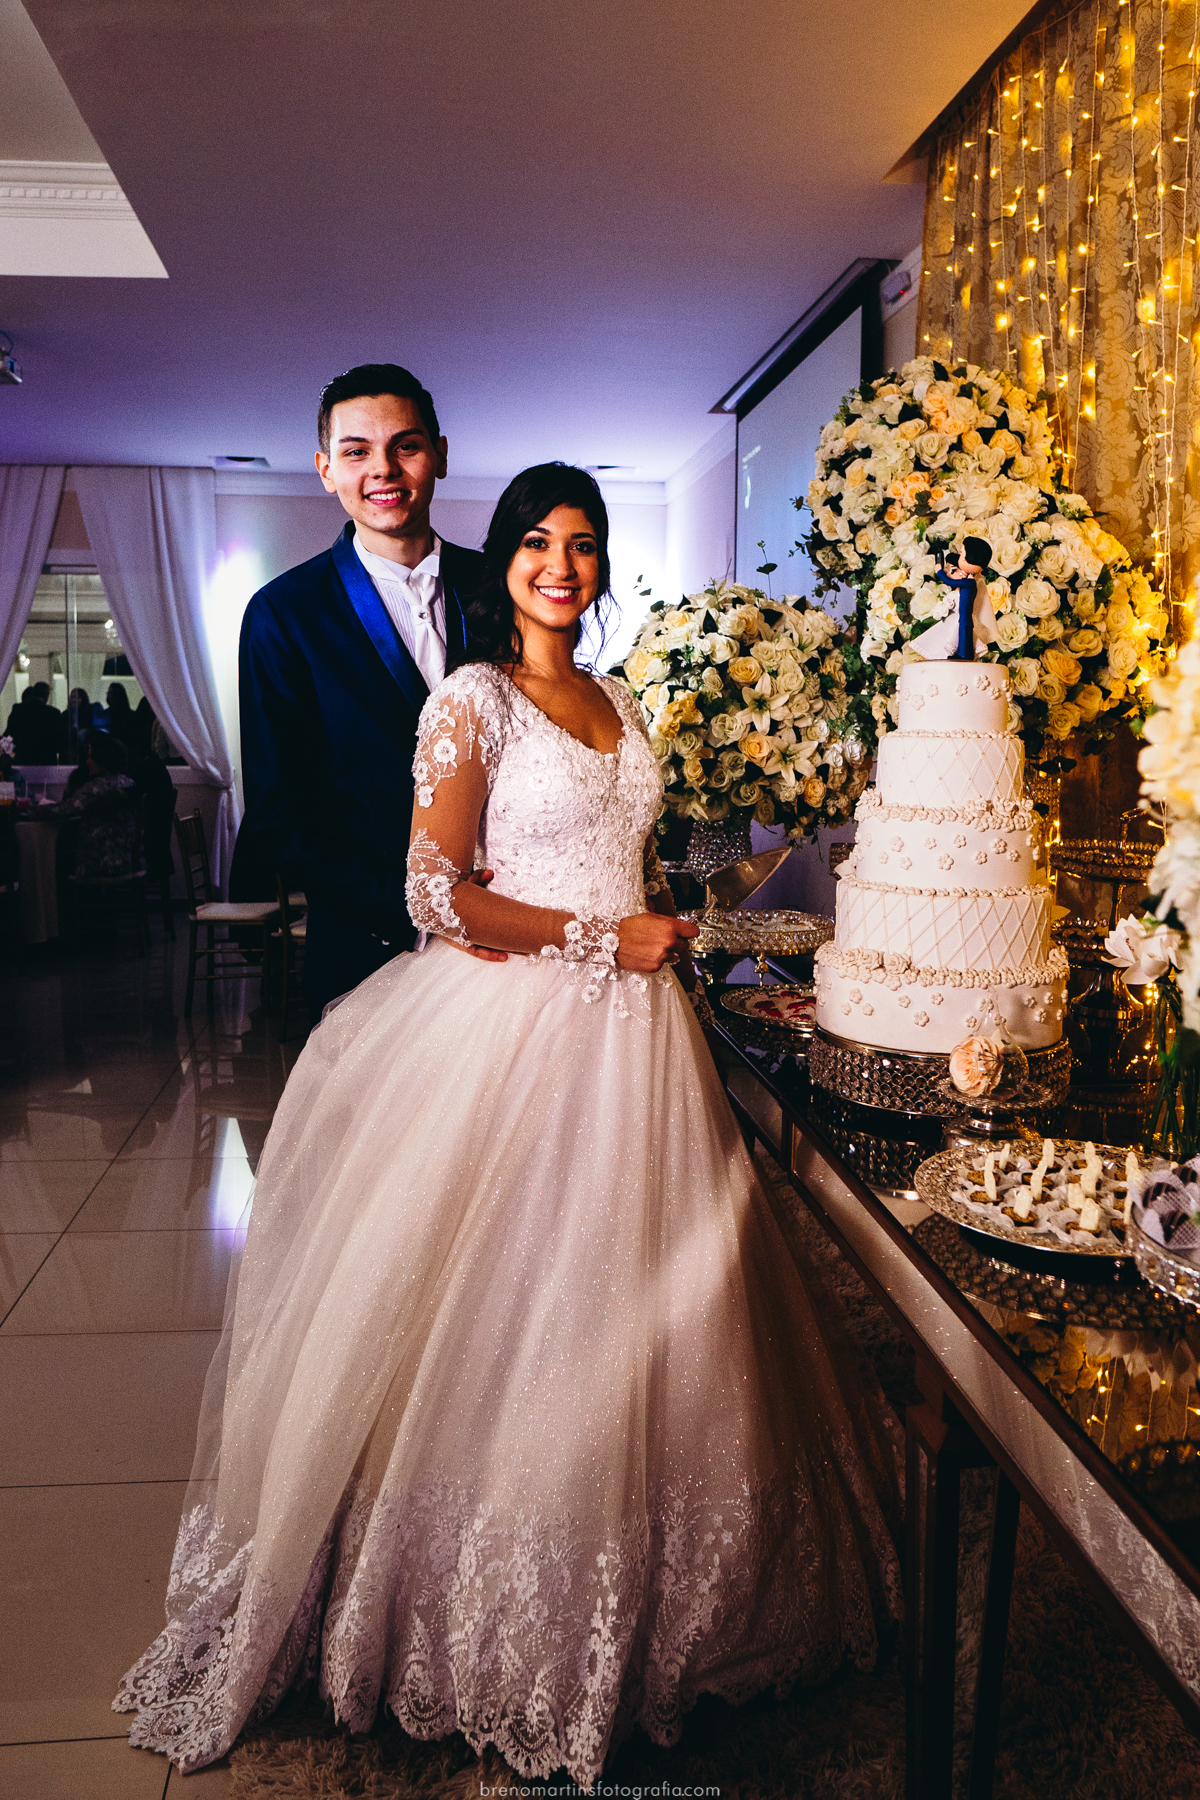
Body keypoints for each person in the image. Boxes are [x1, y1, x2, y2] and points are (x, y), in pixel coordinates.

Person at [116, 464, 901, 1784]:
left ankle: (676, 1606)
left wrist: (682, 916)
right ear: (505, 564)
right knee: (513, 1308)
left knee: (661, 1311)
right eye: (537, 540)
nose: (562, 564)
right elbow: (435, 893)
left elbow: (635, 856)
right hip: (518, 1027)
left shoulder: (622, 699)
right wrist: (603, 935)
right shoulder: (471, 700)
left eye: (583, 544)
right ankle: (476, 1603)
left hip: (641, 1042)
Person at [238, 363, 488, 1018]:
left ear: (437, 454)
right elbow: (277, 816)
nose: (383, 469)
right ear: (326, 468)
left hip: (513, 944)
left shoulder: (504, 588)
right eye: (356, 451)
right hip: (367, 949)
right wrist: (425, 910)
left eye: (405, 445)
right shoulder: (283, 613)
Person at [52, 731, 140, 879]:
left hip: (100, 861)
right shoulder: (128, 782)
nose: (88, 762)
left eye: (92, 757)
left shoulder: (97, 786)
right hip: (125, 857)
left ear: (104, 758)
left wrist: (27, 811)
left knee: (57, 858)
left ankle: (55, 901)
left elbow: (64, 809)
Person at [4, 682, 63, 764]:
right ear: (47, 697)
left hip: (23, 757)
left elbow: (9, 734)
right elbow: (58, 738)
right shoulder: (53, 713)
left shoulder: (18, 709)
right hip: (46, 759)